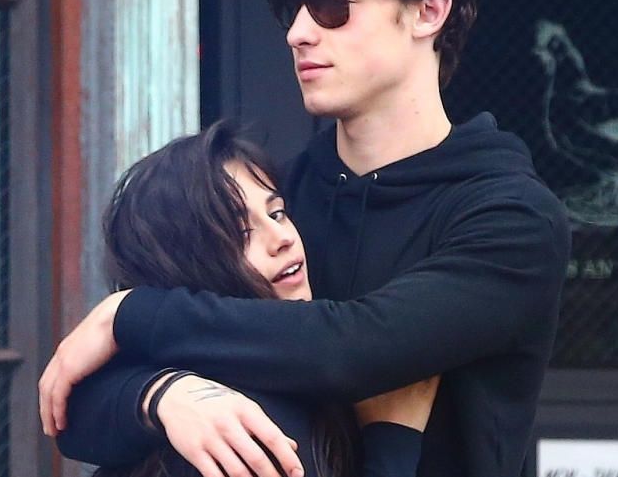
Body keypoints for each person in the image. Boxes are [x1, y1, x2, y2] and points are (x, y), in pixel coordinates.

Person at [41, 0, 570, 477]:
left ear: (429, 11)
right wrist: (165, 395)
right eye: (289, 7)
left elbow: (353, 349)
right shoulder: (276, 205)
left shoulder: (509, 218)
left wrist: (130, 314)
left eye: (331, 4)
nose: (298, 32)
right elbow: (74, 406)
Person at [70, 121, 438, 477]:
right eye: (242, 233)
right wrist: (393, 442)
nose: (281, 237)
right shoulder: (243, 431)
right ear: (183, 266)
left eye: (277, 212)